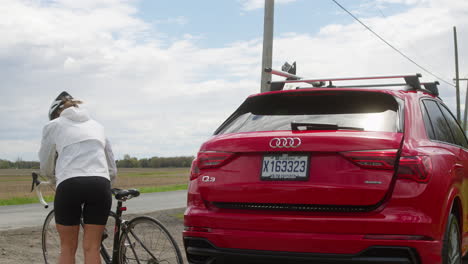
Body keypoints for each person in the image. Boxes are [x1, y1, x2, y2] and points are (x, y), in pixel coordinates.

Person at [39, 91, 117, 264]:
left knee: (67, 248)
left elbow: (45, 163)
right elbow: (111, 164)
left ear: (56, 114)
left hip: (70, 183)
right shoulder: (97, 126)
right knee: (92, 248)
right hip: (100, 183)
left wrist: (54, 180)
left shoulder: (53, 125)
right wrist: (107, 183)